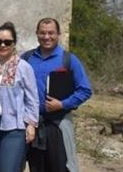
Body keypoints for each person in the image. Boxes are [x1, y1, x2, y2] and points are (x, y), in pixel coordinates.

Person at [24, 18, 92, 172]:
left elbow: (85, 90)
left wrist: (62, 104)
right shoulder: (27, 58)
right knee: (36, 167)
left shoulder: (68, 60)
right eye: (42, 33)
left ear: (58, 34)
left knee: (61, 167)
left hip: (58, 124)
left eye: (51, 33)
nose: (47, 37)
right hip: (33, 126)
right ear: (37, 34)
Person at [0, 22, 39, 172]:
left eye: (7, 42)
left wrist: (31, 124)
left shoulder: (23, 67)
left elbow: (32, 98)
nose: (2, 45)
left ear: (14, 43)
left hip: (14, 127)